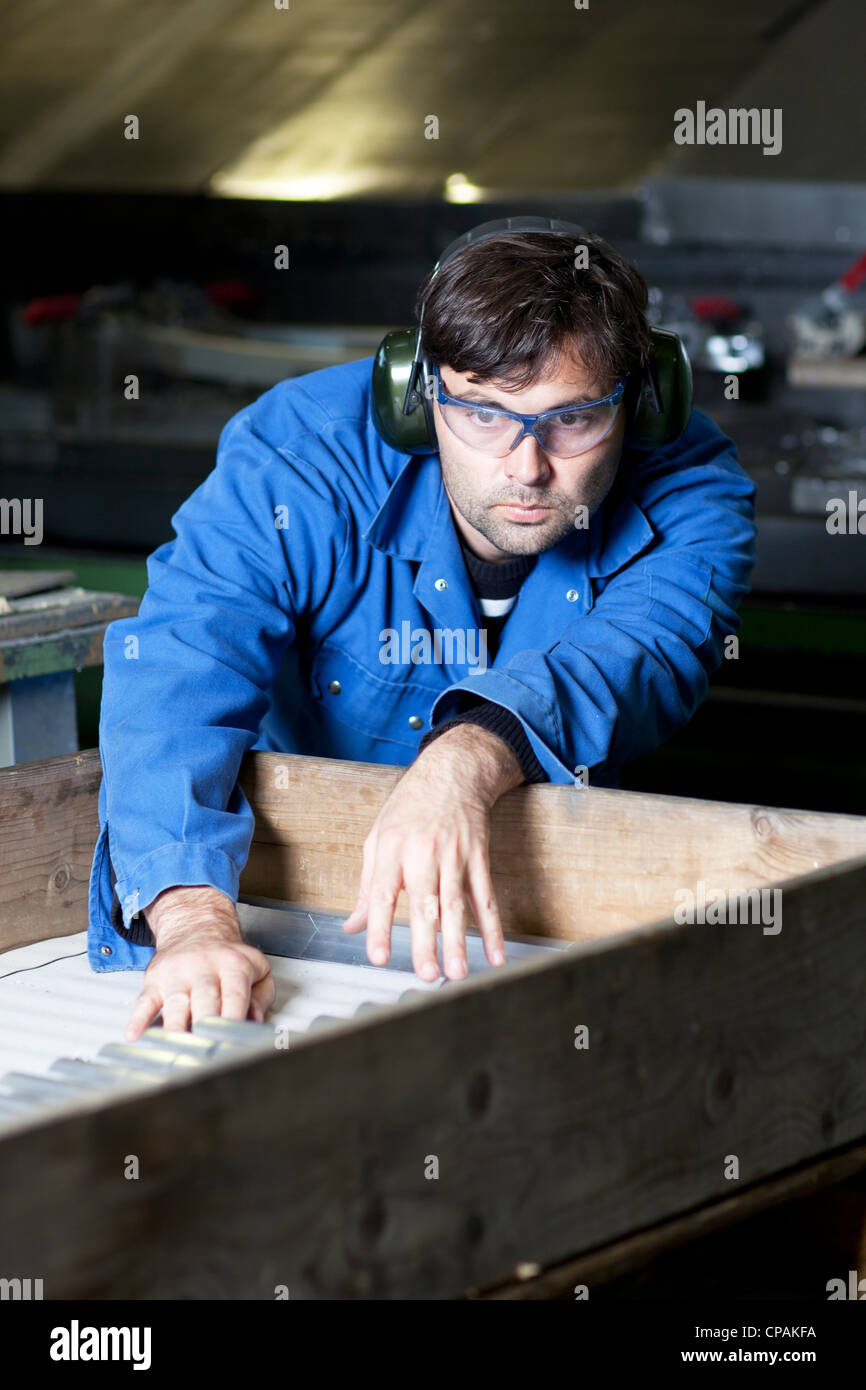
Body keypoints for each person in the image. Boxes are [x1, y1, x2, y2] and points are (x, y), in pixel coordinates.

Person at [86, 217, 756, 1040]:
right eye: (480, 414)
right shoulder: (300, 457)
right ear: (415, 395)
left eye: (573, 420)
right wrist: (193, 923)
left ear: (646, 402)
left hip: (547, 911)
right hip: (287, 910)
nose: (525, 465)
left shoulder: (693, 492)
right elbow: (179, 665)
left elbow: (642, 655)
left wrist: (465, 759)